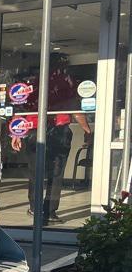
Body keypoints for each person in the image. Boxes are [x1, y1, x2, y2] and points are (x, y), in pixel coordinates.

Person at [9, 55, 91, 223]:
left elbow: (21, 107)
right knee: (56, 173)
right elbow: (74, 106)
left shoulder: (30, 82)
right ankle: (50, 212)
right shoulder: (66, 81)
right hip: (57, 130)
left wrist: (16, 133)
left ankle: (35, 208)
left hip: (33, 130)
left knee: (36, 172)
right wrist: (87, 130)